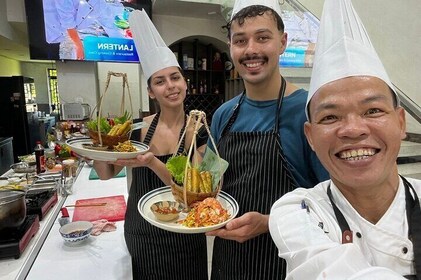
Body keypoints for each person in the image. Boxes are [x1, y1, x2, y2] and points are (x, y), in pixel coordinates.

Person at [269, 0, 421, 278]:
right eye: (330, 117)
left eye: (373, 110)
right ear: (311, 137)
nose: (353, 129)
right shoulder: (299, 211)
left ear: (401, 122)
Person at [206, 0, 329, 279]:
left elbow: (333, 202)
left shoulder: (310, 112)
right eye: (240, 40)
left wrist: (269, 223)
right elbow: (211, 181)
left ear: (283, 42)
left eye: (263, 38)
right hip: (228, 261)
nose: (251, 50)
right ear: (230, 47)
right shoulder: (223, 115)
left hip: (289, 261)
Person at [93, 10, 208, 279]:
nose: (170, 86)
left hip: (187, 229)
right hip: (144, 232)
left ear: (185, 83)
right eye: (160, 81)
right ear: (150, 91)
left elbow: (196, 190)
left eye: (175, 77)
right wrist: (98, 144)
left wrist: (180, 146)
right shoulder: (136, 129)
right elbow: (104, 173)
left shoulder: (199, 127)